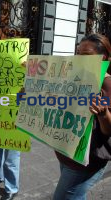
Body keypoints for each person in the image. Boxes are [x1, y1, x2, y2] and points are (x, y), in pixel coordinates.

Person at [54, 34, 111, 200]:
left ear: (103, 58)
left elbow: (108, 130)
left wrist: (103, 114)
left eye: (85, 55)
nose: (79, 59)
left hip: (86, 161)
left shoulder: (107, 84)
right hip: (65, 153)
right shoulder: (73, 77)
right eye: (77, 53)